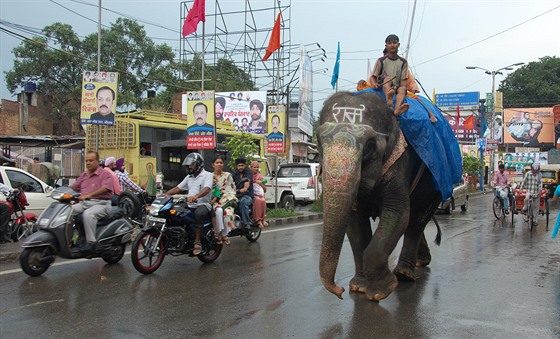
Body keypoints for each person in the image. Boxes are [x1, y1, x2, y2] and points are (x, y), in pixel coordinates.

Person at [166, 153, 213, 255]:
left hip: (203, 204)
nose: (189, 167)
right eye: (187, 165)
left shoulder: (208, 175)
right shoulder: (189, 177)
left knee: (198, 214)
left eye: (191, 164)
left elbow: (207, 189)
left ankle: (197, 242)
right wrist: (165, 194)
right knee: (174, 212)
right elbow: (178, 188)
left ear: (199, 164)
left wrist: (196, 197)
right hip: (189, 204)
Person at [69, 151, 114, 252]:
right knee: (67, 211)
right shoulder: (84, 175)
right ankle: (71, 239)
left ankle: (91, 243)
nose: (88, 163)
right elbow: (74, 187)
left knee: (88, 215)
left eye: (91, 160)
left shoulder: (105, 174)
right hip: (85, 203)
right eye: (86, 161)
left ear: (97, 161)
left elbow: (105, 188)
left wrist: (89, 195)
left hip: (101, 204)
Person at [369, 34, 411, 117]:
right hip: (384, 84)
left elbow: (403, 82)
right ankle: (389, 100)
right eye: (389, 43)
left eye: (394, 43)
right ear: (386, 46)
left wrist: (400, 88)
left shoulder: (403, 62)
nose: (392, 45)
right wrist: (374, 84)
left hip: (396, 87)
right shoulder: (381, 60)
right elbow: (373, 77)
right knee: (387, 79)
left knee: (402, 89)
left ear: (398, 45)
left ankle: (397, 109)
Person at [210, 155, 237, 245]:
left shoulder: (227, 176)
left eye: (221, 163)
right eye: (217, 163)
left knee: (227, 212)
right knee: (218, 211)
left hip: (225, 198)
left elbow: (230, 189)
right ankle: (219, 233)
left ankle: (224, 234)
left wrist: (222, 195)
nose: (219, 164)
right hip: (212, 200)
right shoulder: (209, 176)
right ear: (213, 165)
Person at [232, 158, 253, 229]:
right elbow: (231, 183)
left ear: (245, 165)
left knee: (242, 202)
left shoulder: (248, 172)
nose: (240, 167)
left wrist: (244, 189)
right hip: (237, 195)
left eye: (242, 165)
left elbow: (247, 181)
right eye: (239, 165)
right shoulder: (235, 174)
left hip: (247, 195)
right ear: (236, 166)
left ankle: (246, 223)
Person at [519, 162, 542, 227]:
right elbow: (524, 181)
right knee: (526, 198)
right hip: (529, 190)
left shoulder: (539, 174)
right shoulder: (528, 174)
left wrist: (540, 190)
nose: (535, 172)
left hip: (536, 191)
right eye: (534, 170)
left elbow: (540, 183)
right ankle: (525, 208)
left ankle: (535, 220)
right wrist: (521, 189)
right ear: (532, 169)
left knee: (536, 206)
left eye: (536, 170)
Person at [250, 161, 267, 228]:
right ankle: (258, 220)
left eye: (257, 167)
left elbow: (265, 190)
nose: (256, 169)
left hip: (260, 194)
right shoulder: (249, 176)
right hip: (252, 194)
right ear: (251, 168)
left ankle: (263, 219)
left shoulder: (260, 177)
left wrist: (261, 184)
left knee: (262, 200)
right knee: (257, 200)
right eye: (254, 167)